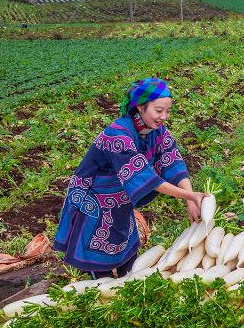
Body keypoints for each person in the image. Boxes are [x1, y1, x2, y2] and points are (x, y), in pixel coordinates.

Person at [54, 77, 206, 278]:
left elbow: (172, 161)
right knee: (99, 261)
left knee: (126, 253)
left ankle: (125, 281)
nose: (164, 117)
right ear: (141, 107)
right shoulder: (118, 136)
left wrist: (190, 198)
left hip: (120, 199)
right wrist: (189, 196)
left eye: (168, 111)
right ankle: (99, 283)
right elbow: (145, 177)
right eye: (159, 111)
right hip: (94, 200)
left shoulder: (157, 131)